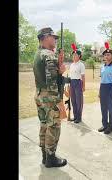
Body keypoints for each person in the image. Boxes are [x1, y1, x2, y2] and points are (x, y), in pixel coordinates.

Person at [33, 27, 67, 168]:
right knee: (53, 126)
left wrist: (58, 67)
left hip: (40, 94)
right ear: (45, 37)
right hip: (50, 96)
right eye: (53, 37)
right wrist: (61, 72)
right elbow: (52, 82)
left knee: (44, 125)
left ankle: (44, 156)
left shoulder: (38, 54)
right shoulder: (49, 55)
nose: (55, 40)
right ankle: (51, 158)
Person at [97, 42, 112, 134]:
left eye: (108, 54)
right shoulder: (101, 67)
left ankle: (110, 126)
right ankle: (104, 125)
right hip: (103, 88)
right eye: (105, 55)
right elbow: (101, 80)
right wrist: (99, 92)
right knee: (103, 108)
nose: (106, 56)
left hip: (111, 88)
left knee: (111, 109)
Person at [69, 44, 85, 123]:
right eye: (73, 55)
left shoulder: (81, 64)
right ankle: (75, 116)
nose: (74, 56)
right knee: (73, 100)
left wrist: (83, 86)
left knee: (79, 101)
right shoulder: (71, 65)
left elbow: (83, 76)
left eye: (75, 55)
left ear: (79, 56)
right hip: (72, 83)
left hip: (78, 83)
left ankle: (79, 117)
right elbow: (70, 76)